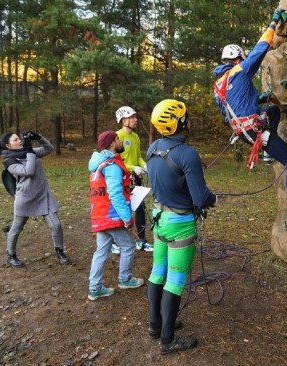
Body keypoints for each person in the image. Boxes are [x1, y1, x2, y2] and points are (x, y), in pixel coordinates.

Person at [213, 9, 287, 228]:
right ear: (237, 59)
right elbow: (261, 49)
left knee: (273, 110)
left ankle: (267, 154)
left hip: (242, 131)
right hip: (255, 130)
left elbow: (230, 111)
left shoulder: (218, 87)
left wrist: (256, 98)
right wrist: (273, 24)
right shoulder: (239, 71)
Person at [146, 99, 217, 354]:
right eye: (186, 116)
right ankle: (168, 340)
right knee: (174, 281)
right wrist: (213, 198)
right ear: (180, 122)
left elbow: (169, 184)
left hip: (159, 219)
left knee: (157, 272)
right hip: (180, 224)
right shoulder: (187, 154)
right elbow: (200, 198)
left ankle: (156, 326)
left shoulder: (152, 148)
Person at [0, 132, 72, 267]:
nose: (20, 140)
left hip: (43, 195)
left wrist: (39, 138)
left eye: (20, 137)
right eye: (16, 139)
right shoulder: (9, 161)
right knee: (17, 228)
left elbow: (49, 149)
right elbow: (29, 170)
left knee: (56, 225)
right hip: (25, 198)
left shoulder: (29, 152)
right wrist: (29, 150)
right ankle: (11, 256)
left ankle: (59, 251)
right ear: (8, 145)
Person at [87, 131, 145, 300]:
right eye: (118, 139)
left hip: (99, 214)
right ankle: (125, 279)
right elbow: (115, 194)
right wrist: (127, 217)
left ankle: (94, 288)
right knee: (128, 246)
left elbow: (108, 190)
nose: (120, 141)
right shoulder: (112, 165)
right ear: (112, 143)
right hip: (112, 215)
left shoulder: (99, 164)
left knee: (101, 251)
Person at [115, 106, 153, 254]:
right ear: (124, 120)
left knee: (140, 208)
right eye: (132, 117)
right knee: (121, 209)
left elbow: (137, 156)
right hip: (122, 178)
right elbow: (117, 160)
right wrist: (132, 167)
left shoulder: (135, 137)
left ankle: (142, 241)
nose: (136, 119)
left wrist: (144, 165)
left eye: (135, 117)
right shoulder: (117, 136)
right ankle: (115, 242)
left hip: (135, 178)